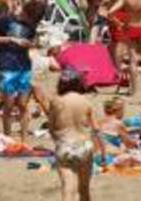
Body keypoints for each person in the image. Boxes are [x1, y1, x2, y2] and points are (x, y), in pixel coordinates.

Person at [40, 69, 105, 201]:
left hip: (65, 145)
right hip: (84, 145)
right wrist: (103, 151)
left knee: (68, 189)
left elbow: (51, 126)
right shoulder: (86, 101)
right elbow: (96, 129)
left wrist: (57, 140)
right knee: (84, 189)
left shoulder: (56, 101)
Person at [0, 0, 42, 141]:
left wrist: (30, 44)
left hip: (24, 65)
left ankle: (24, 138)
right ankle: (7, 137)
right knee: (9, 103)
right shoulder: (6, 20)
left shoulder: (31, 25)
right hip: (7, 64)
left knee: (23, 104)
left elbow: (34, 41)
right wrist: (11, 39)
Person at [104, 0, 141, 96]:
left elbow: (110, 13)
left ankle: (133, 90)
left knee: (132, 60)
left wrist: (119, 23)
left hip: (130, 28)